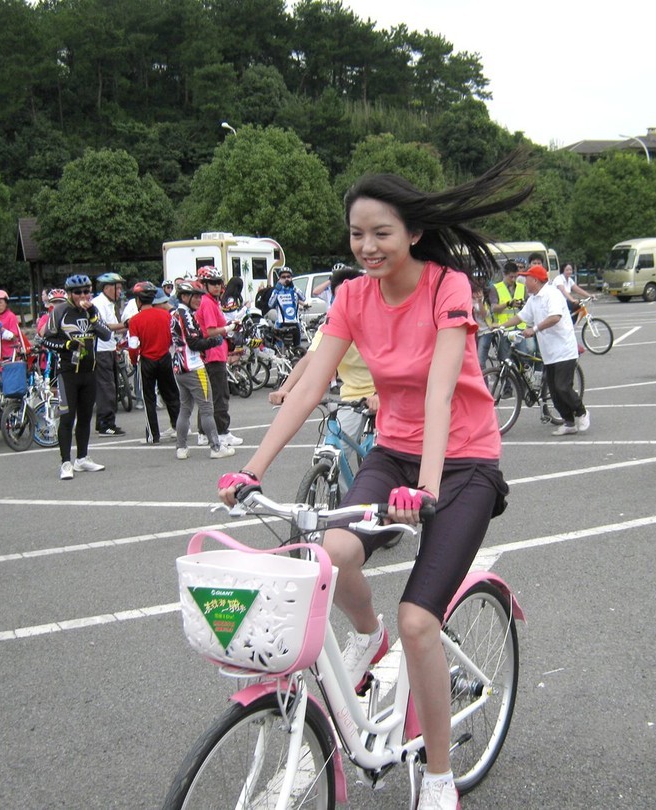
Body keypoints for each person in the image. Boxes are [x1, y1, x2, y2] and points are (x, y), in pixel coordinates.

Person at [217, 153, 530, 810]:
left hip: (464, 462)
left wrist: (430, 487)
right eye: (357, 234)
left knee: (419, 619)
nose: (366, 246)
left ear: (412, 232)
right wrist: (252, 470)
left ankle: (440, 776)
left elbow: (443, 390)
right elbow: (308, 388)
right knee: (331, 550)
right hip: (392, 453)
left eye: (380, 233)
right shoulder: (352, 296)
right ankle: (366, 634)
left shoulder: (447, 287)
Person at [269, 264, 378, 450]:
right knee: (333, 452)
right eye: (339, 297)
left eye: (351, 296)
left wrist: (380, 394)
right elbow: (310, 359)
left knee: (385, 460)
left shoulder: (380, 323)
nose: (345, 303)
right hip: (352, 398)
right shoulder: (331, 327)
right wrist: (284, 389)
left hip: (387, 398)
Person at [40, 274, 113, 480]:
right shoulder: (60, 311)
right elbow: (45, 339)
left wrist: (92, 315)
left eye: (86, 291)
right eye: (78, 292)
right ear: (70, 294)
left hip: (90, 371)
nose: (83, 295)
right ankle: (65, 462)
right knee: (67, 417)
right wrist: (66, 345)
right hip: (68, 373)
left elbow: (106, 335)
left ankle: (82, 458)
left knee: (85, 416)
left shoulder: (93, 310)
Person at [515, 264, 590, 435]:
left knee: (563, 387)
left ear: (535, 280)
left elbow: (555, 317)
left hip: (564, 349)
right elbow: (521, 316)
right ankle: (569, 422)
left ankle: (582, 412)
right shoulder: (533, 299)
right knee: (554, 392)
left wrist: (533, 329)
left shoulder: (552, 294)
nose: (524, 282)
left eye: (526, 278)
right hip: (548, 352)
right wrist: (499, 326)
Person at [170, 281, 235, 461]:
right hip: (194, 367)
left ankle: (181, 448)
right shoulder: (187, 316)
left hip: (179, 366)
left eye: (200, 295)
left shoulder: (175, 314)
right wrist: (214, 342)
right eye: (195, 296)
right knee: (207, 408)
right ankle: (216, 447)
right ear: (184, 297)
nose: (199, 299)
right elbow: (194, 343)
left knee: (185, 408)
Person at [194, 267, 243, 447]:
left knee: (209, 395)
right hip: (213, 354)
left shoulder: (212, 302)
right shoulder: (207, 303)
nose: (217, 286)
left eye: (219, 283)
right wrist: (229, 328)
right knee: (220, 395)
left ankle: (203, 432)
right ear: (204, 285)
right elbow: (210, 331)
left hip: (214, 353)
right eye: (213, 283)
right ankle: (221, 431)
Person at [126, 282, 180, 444]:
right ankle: (178, 427)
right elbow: (174, 337)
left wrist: (134, 360)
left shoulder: (134, 320)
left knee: (149, 397)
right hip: (164, 358)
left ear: (138, 300)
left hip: (147, 360)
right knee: (171, 393)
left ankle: (152, 435)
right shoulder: (166, 316)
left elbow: (134, 346)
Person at [90, 272, 127, 436]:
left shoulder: (110, 304)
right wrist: (123, 324)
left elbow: (116, 327)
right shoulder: (97, 303)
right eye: (117, 288)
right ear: (107, 288)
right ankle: (106, 424)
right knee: (107, 388)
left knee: (112, 386)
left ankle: (104, 422)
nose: (119, 291)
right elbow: (103, 325)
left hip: (110, 348)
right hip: (101, 350)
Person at [486, 260, 529, 361]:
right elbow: (494, 308)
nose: (513, 279)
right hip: (504, 330)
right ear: (504, 274)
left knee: (523, 358)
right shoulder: (495, 288)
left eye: (515, 276)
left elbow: (527, 306)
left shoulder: (522, 287)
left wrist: (522, 305)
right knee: (505, 359)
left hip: (520, 328)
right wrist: (508, 304)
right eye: (511, 277)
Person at [267, 268, 308, 349]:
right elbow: (270, 304)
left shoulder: (295, 289)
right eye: (283, 277)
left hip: (295, 323)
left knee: (298, 349)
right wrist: (277, 289)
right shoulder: (277, 291)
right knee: (279, 349)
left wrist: (294, 288)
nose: (286, 279)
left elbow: (303, 298)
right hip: (281, 324)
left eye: (288, 277)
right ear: (279, 278)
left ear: (291, 278)